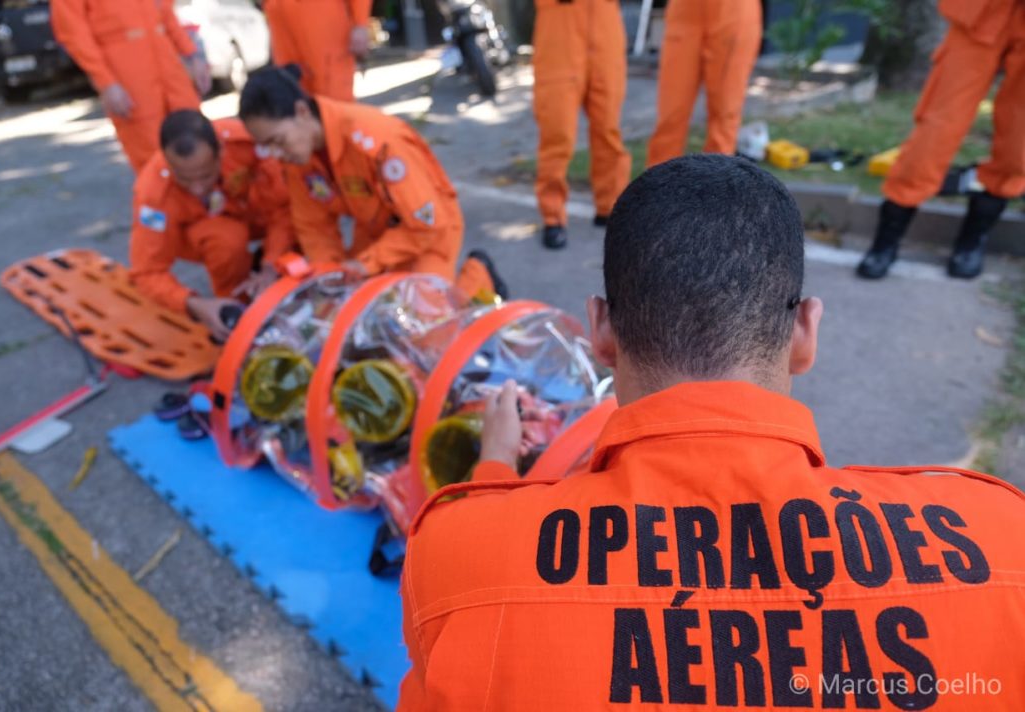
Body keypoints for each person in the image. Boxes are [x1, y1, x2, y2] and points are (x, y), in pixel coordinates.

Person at [398, 155, 1025, 709]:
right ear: (806, 333)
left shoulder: (456, 553)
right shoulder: (999, 542)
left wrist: (493, 477)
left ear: (601, 331)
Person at [237, 66, 506, 301]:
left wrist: (364, 265)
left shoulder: (375, 139)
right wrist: (332, 278)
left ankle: (479, 275)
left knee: (423, 328)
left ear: (302, 111)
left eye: (278, 141)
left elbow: (426, 225)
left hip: (429, 229)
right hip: (376, 231)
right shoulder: (297, 158)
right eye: (266, 147)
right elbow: (314, 227)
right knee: (353, 311)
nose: (275, 154)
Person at [857, 0, 1025, 280]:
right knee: (936, 131)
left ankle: (973, 240)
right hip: (984, 11)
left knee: (1019, 146)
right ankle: (886, 240)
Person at [129, 110, 294, 340]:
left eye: (205, 175)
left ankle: (270, 272)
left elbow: (283, 206)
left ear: (221, 152)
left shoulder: (245, 142)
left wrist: (271, 262)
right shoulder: (153, 195)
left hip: (253, 215)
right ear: (167, 162)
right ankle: (234, 311)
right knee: (226, 240)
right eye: (185, 178)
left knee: (298, 215)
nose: (197, 189)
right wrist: (195, 304)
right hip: (207, 236)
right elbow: (146, 272)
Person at [52, 0, 212, 172]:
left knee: (199, 141)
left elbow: (167, 16)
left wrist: (193, 55)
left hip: (171, 71)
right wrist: (106, 83)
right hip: (129, 80)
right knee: (152, 161)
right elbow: (74, 33)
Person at [531, 0, 632, 250]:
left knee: (608, 129)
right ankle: (553, 217)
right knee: (557, 133)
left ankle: (610, 207)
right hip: (559, 25)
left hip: (605, 23)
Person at [646, 0, 763, 167]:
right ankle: (659, 186)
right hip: (686, 12)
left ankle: (716, 187)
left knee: (725, 113)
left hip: (734, 10)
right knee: (671, 115)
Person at [262, 0, 372, 102]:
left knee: (333, 99)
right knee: (292, 96)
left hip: (320, 15)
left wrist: (360, 23)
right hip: (280, 16)